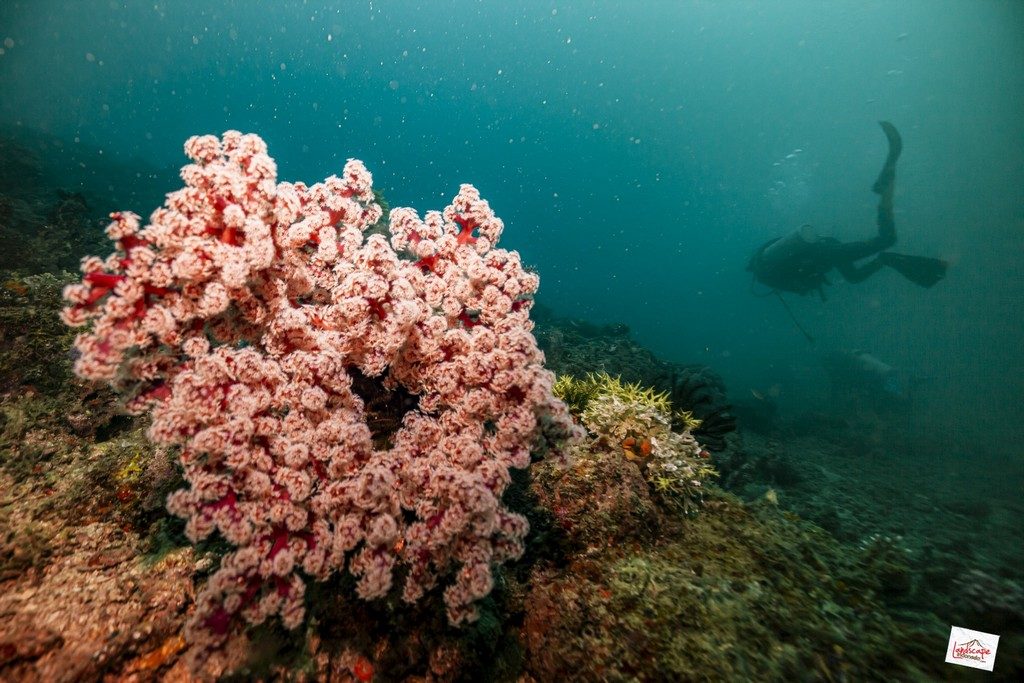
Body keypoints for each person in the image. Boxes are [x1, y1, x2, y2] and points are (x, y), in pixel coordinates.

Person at [747, 122, 947, 301]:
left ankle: (887, 183)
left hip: (829, 253)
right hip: (829, 250)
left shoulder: (771, 274)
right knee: (854, 277)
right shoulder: (771, 266)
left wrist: (805, 283)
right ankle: (886, 259)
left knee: (886, 239)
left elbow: (801, 283)